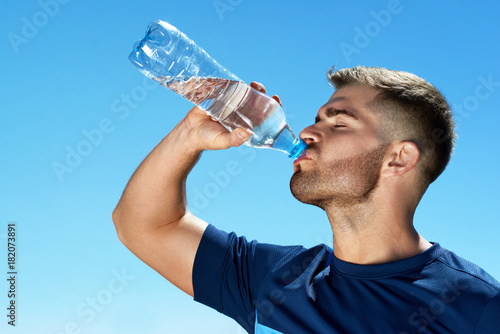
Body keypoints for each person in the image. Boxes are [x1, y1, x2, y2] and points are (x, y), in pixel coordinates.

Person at [112, 66, 500, 333]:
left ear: (398, 158)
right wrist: (189, 137)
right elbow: (145, 224)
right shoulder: (277, 279)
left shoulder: (478, 308)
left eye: (340, 121)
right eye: (317, 117)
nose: (308, 131)